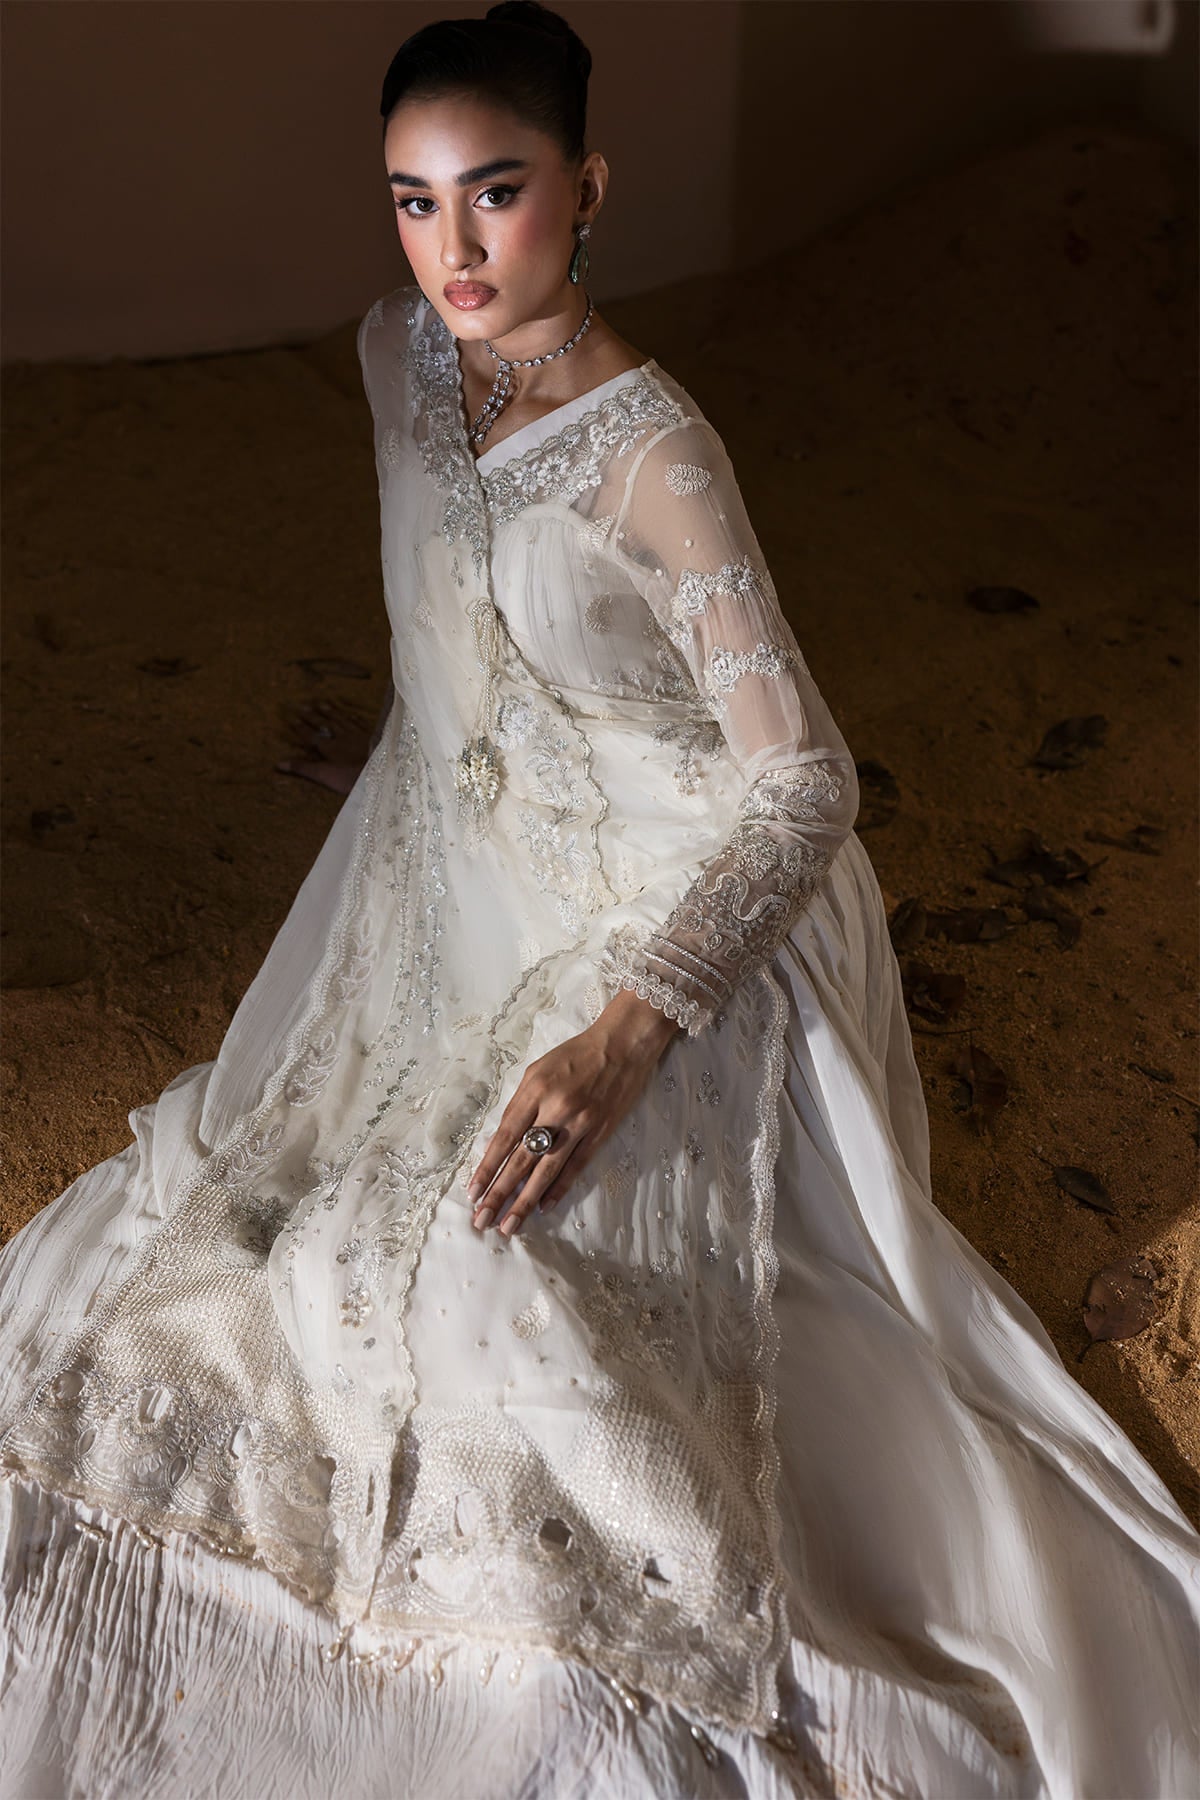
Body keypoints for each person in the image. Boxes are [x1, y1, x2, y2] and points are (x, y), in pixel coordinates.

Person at [0, 5, 1197, 1796]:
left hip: (680, 920)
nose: (455, 248)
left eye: (497, 192)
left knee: (503, 1269)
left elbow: (807, 786)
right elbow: (451, 612)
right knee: (272, 1246)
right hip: (460, 880)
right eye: (414, 201)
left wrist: (629, 1033)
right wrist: (427, 734)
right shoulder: (395, 354)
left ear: (590, 188)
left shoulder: (659, 455)